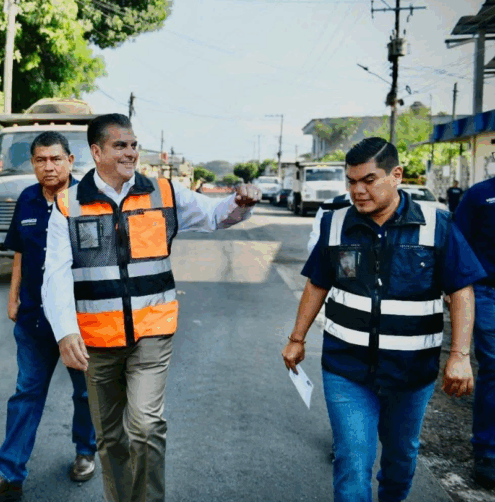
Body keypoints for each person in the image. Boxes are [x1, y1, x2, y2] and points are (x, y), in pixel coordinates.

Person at [42, 113, 261, 502]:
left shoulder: (163, 193)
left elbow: (214, 215)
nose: (130, 153)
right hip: (97, 339)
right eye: (120, 146)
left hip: (152, 333)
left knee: (145, 425)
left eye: (133, 145)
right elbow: (55, 275)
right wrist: (65, 331)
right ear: (96, 151)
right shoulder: (68, 205)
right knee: (110, 438)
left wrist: (240, 204)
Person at [281, 137, 485, 502]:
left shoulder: (435, 223)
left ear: (396, 175)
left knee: (400, 459)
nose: (358, 191)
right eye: (351, 181)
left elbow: (461, 291)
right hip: (347, 368)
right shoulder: (335, 223)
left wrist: (459, 355)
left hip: (411, 372)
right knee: (351, 460)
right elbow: (317, 284)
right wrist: (297, 338)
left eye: (369, 180)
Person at [0, 132, 97, 501]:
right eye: (41, 160)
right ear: (33, 163)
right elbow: (20, 253)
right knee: (26, 393)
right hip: (33, 319)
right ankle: (9, 472)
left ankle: (85, 451)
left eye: (55, 159)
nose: (49, 167)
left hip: (77, 322)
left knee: (85, 393)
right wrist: (12, 299)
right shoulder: (26, 198)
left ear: (71, 161)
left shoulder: (87, 200)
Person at [453, 175, 495, 488]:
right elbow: (458, 243)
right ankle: (488, 452)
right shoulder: (479, 195)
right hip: (486, 292)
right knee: (494, 366)